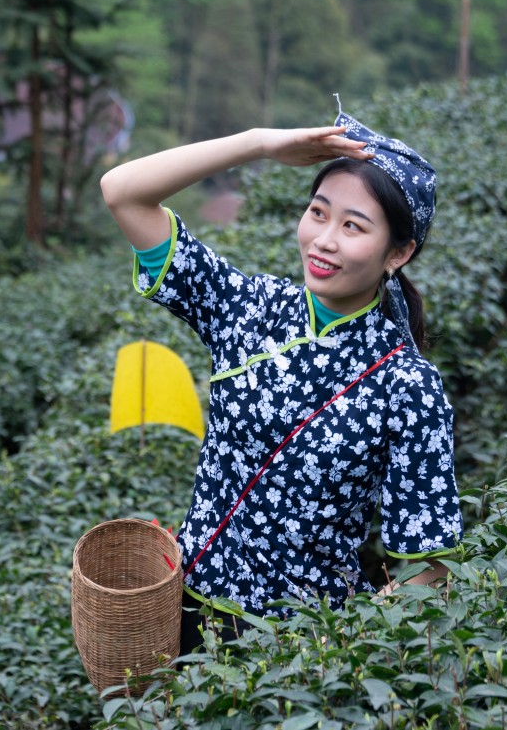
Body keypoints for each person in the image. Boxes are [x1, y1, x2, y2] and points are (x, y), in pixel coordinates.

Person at [100, 109, 464, 655]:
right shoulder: (250, 308)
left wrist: (331, 654)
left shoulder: (407, 386)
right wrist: (258, 143)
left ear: (399, 252)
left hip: (294, 653)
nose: (324, 240)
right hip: (176, 620)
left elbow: (430, 567)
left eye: (353, 226)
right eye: (318, 213)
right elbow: (123, 193)